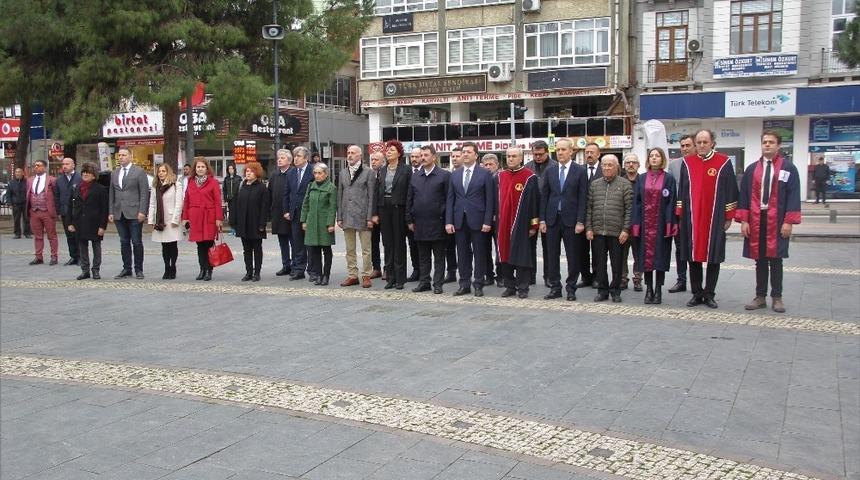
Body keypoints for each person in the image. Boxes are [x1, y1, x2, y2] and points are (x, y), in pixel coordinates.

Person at [737, 131, 802, 313]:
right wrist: (744, 220)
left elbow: (793, 195)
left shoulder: (788, 168)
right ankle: (760, 296)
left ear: (778, 145)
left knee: (776, 259)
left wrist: (788, 221)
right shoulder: (751, 169)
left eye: (771, 142)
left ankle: (777, 297)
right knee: (760, 260)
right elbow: (744, 196)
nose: (767, 145)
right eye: (764, 142)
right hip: (757, 219)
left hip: (778, 219)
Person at [676, 129, 739, 309]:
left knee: (714, 256)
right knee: (692, 256)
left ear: (712, 143)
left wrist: (729, 217)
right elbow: (682, 192)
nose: (701, 145)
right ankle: (697, 293)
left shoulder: (723, 162)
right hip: (692, 218)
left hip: (715, 217)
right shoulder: (687, 163)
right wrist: (680, 215)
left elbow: (731, 191)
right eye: (699, 142)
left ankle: (710, 293)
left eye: (705, 142)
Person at [540, 138, 587, 301]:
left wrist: (581, 221)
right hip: (552, 219)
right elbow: (544, 196)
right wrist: (542, 220)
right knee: (552, 255)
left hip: (572, 221)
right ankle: (555, 287)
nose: (560, 153)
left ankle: (571, 287)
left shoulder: (580, 171)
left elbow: (583, 198)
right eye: (558, 150)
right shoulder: (550, 171)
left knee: (573, 256)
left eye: (563, 150)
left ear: (571, 151)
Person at [446, 142, 494, 297]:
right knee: (462, 254)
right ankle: (464, 283)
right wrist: (449, 221)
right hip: (459, 220)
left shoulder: (485, 173)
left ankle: (478, 283)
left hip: (479, 220)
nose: (465, 154)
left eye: (468, 152)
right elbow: (450, 199)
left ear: (476, 155)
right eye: (463, 152)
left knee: (480, 253)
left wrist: (487, 221)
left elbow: (490, 200)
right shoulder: (455, 174)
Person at [631, 148, 677, 305]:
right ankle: (648, 289)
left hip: (661, 225)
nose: (654, 158)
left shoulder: (669, 179)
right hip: (645, 226)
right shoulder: (641, 179)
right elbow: (636, 203)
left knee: (660, 259)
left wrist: (670, 224)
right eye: (651, 156)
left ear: (662, 159)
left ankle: (658, 290)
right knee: (646, 260)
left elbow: (671, 203)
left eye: (657, 156)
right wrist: (635, 224)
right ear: (648, 159)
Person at [586, 155, 632, 303]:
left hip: (617, 232)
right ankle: (602, 290)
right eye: (604, 165)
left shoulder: (625, 184)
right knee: (599, 263)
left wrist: (625, 229)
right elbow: (589, 208)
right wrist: (589, 228)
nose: (606, 168)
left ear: (617, 167)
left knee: (617, 264)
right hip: (598, 231)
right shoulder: (595, 184)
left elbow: (629, 210)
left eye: (610, 165)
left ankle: (615, 290)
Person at [406, 145, 451, 294]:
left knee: (439, 256)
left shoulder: (444, 175)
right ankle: (424, 282)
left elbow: (449, 200)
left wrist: (448, 220)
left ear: (434, 157)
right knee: (423, 256)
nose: (423, 158)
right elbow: (410, 199)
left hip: (438, 222)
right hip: (420, 223)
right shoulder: (415, 176)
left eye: (426, 155)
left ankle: (437, 284)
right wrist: (409, 220)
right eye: (421, 155)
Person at [497, 147, 540, 299]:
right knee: (504, 254)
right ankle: (510, 286)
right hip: (503, 224)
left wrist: (534, 225)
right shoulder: (501, 176)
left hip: (521, 224)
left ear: (521, 158)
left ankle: (523, 287)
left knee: (522, 256)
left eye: (514, 156)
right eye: (508, 156)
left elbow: (535, 203)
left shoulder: (529, 177)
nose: (510, 159)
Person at [373, 140, 412, 289]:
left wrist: (409, 213)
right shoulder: (382, 170)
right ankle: (390, 276)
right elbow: (377, 192)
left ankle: (400, 278)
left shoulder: (406, 170)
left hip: (399, 208)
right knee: (387, 243)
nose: (388, 152)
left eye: (392, 150)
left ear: (399, 153)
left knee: (399, 244)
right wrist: (375, 213)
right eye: (387, 150)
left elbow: (409, 193)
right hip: (384, 208)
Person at [337, 145, 376, 288]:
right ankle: (352, 275)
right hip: (347, 214)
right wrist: (339, 216)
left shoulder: (368, 172)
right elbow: (339, 194)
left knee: (366, 249)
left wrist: (370, 217)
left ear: (360, 156)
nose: (350, 155)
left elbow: (372, 196)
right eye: (348, 153)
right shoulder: (342, 173)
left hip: (363, 215)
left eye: (353, 153)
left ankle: (366, 275)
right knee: (350, 249)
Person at [108, 148, 150, 279]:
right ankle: (126, 268)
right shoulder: (114, 173)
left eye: (124, 155)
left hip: (135, 212)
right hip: (118, 212)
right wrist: (111, 211)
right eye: (119, 155)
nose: (121, 157)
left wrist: (143, 211)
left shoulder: (139, 172)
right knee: (124, 241)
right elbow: (111, 194)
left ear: (130, 157)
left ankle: (139, 269)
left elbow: (144, 193)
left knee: (136, 242)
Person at [182, 157, 224, 281]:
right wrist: (185, 217)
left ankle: (209, 270)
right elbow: (186, 201)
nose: (200, 169)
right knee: (199, 245)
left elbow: (217, 201)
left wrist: (219, 218)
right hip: (195, 216)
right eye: (198, 167)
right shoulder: (190, 182)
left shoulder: (213, 182)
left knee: (209, 244)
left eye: (202, 167)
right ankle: (202, 269)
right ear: (195, 169)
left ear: (207, 168)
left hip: (209, 215)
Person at [67, 163, 108, 280]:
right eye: (83, 172)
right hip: (79, 222)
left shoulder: (100, 189)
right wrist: (70, 223)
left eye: (88, 173)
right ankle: (85, 270)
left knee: (96, 247)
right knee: (82, 247)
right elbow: (70, 206)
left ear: (94, 175)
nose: (85, 174)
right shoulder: (76, 188)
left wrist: (102, 226)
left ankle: (96, 270)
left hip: (95, 223)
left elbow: (104, 209)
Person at [525, 140, 556, 287]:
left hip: (548, 211)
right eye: (535, 154)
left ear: (547, 152)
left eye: (540, 154)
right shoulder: (527, 167)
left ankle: (549, 276)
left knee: (548, 246)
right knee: (529, 245)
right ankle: (530, 275)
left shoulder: (554, 167)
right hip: (531, 212)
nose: (537, 157)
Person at [232, 162, 270, 282]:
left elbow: (265, 207)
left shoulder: (261, 187)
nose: (248, 173)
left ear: (257, 173)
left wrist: (262, 224)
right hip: (243, 223)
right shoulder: (242, 186)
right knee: (246, 249)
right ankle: (248, 271)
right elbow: (237, 204)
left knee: (257, 248)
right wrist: (235, 221)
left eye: (251, 171)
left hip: (256, 223)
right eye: (247, 171)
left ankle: (257, 273)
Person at [666, 134, 695, 293]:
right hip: (678, 214)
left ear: (694, 146)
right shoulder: (674, 165)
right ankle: (681, 279)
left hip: (696, 214)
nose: (684, 149)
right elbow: (670, 191)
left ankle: (696, 282)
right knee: (680, 248)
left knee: (695, 249)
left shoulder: (700, 163)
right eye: (682, 146)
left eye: (688, 145)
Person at [301, 163, 337, 286]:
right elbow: (305, 204)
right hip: (312, 222)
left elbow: (332, 207)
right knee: (314, 250)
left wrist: (330, 224)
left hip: (324, 223)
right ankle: (318, 275)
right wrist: (304, 220)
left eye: (319, 173)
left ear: (326, 174)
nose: (317, 175)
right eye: (315, 173)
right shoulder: (311, 186)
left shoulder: (331, 187)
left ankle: (326, 275)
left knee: (326, 250)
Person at [147, 163, 184, 279]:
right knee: (164, 246)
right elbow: (152, 203)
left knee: (172, 244)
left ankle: (173, 266)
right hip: (160, 220)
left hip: (171, 218)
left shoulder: (176, 185)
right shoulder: (155, 186)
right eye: (159, 171)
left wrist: (176, 219)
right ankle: (166, 267)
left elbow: (179, 203)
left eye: (163, 171)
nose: (161, 173)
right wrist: (151, 220)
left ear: (168, 172)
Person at [284, 147, 314, 281]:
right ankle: (299, 269)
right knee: (297, 243)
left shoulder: (313, 171)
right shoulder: (290, 173)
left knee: (311, 243)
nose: (296, 158)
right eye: (295, 156)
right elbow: (287, 193)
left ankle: (313, 270)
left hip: (309, 213)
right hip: (295, 213)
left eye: (299, 156)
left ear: (306, 158)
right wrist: (286, 210)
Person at [577, 142, 603, 288]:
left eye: (592, 152)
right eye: (587, 152)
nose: (589, 155)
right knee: (582, 250)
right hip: (582, 215)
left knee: (598, 250)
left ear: (598, 154)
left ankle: (598, 277)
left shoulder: (604, 169)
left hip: (598, 215)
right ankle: (586, 276)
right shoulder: (580, 170)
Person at [26, 159, 60, 265]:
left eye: (39, 165)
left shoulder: (52, 180)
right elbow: (28, 194)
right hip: (34, 211)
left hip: (47, 211)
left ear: (44, 167)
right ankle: (38, 256)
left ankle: (54, 256)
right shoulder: (30, 180)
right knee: (38, 236)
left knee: (52, 235)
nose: (36, 167)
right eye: (35, 165)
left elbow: (56, 195)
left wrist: (55, 210)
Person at [620, 153, 642, 292]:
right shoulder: (620, 181)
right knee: (622, 254)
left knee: (638, 254)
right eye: (628, 162)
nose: (631, 165)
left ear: (638, 165)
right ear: (624, 165)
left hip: (639, 224)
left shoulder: (644, 181)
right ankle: (623, 279)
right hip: (622, 225)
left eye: (634, 162)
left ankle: (638, 279)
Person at [270, 149, 293, 277]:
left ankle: (296, 265)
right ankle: (286, 264)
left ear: (289, 161)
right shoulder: (274, 175)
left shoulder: (293, 173)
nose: (279, 160)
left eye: (282, 158)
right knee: (282, 241)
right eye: (278, 157)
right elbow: (270, 193)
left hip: (289, 214)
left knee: (293, 241)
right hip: (277, 213)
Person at [55, 157, 81, 266]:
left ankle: (81, 257)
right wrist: (59, 211)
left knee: (78, 235)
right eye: (63, 164)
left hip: (78, 212)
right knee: (69, 235)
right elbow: (57, 196)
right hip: (65, 212)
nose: (65, 166)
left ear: (73, 165)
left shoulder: (79, 177)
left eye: (67, 164)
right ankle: (73, 256)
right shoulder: (59, 180)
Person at [480, 153, 501, 286]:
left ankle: (501, 275)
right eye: (485, 165)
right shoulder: (481, 178)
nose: (488, 167)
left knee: (500, 248)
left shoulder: (501, 177)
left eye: (491, 164)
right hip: (484, 219)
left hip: (499, 219)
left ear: (497, 165)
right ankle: (489, 274)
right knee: (484, 248)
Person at [405, 147, 423, 281]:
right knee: (412, 245)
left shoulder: (426, 171)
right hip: (410, 215)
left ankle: (424, 271)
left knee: (423, 246)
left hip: (424, 216)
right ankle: (416, 270)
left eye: (417, 157)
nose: (414, 159)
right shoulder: (406, 172)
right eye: (412, 157)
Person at [369, 151, 385, 279]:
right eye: (372, 159)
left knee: (387, 243)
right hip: (371, 214)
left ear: (383, 161)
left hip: (385, 213)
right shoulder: (369, 174)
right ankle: (376, 268)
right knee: (373, 242)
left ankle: (388, 268)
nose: (373, 162)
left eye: (376, 160)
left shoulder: (386, 173)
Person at [9, 167, 32, 239]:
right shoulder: (11, 182)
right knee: (16, 219)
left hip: (25, 203)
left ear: (22, 173)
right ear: (15, 173)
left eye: (19, 172)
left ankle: (27, 233)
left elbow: (30, 192)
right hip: (16, 203)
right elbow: (8, 194)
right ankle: (17, 233)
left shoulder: (27, 182)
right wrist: (9, 203)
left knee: (26, 219)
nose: (18, 173)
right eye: (16, 172)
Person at [222, 163, 242, 235]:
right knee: (231, 214)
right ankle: (232, 229)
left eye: (232, 168)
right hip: (230, 199)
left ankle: (237, 229)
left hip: (237, 199)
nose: (230, 170)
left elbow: (241, 189)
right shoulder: (226, 179)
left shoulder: (238, 178)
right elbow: (224, 190)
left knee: (238, 214)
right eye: (229, 169)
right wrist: (225, 199)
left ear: (234, 169)